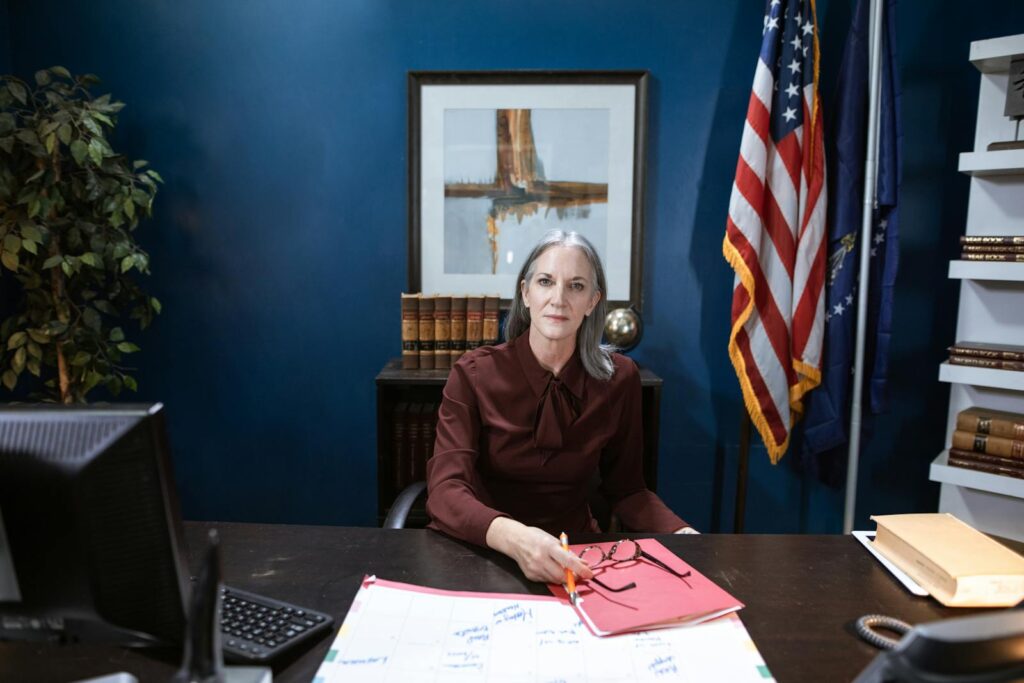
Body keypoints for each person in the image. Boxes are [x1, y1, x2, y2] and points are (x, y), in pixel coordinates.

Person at [426, 230, 696, 585]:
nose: (558, 299)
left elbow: (627, 490)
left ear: (593, 302)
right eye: (545, 282)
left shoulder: (619, 380)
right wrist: (519, 539)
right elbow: (446, 491)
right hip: (484, 551)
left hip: (576, 559)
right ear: (525, 293)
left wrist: (685, 536)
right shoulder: (473, 373)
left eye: (576, 286)